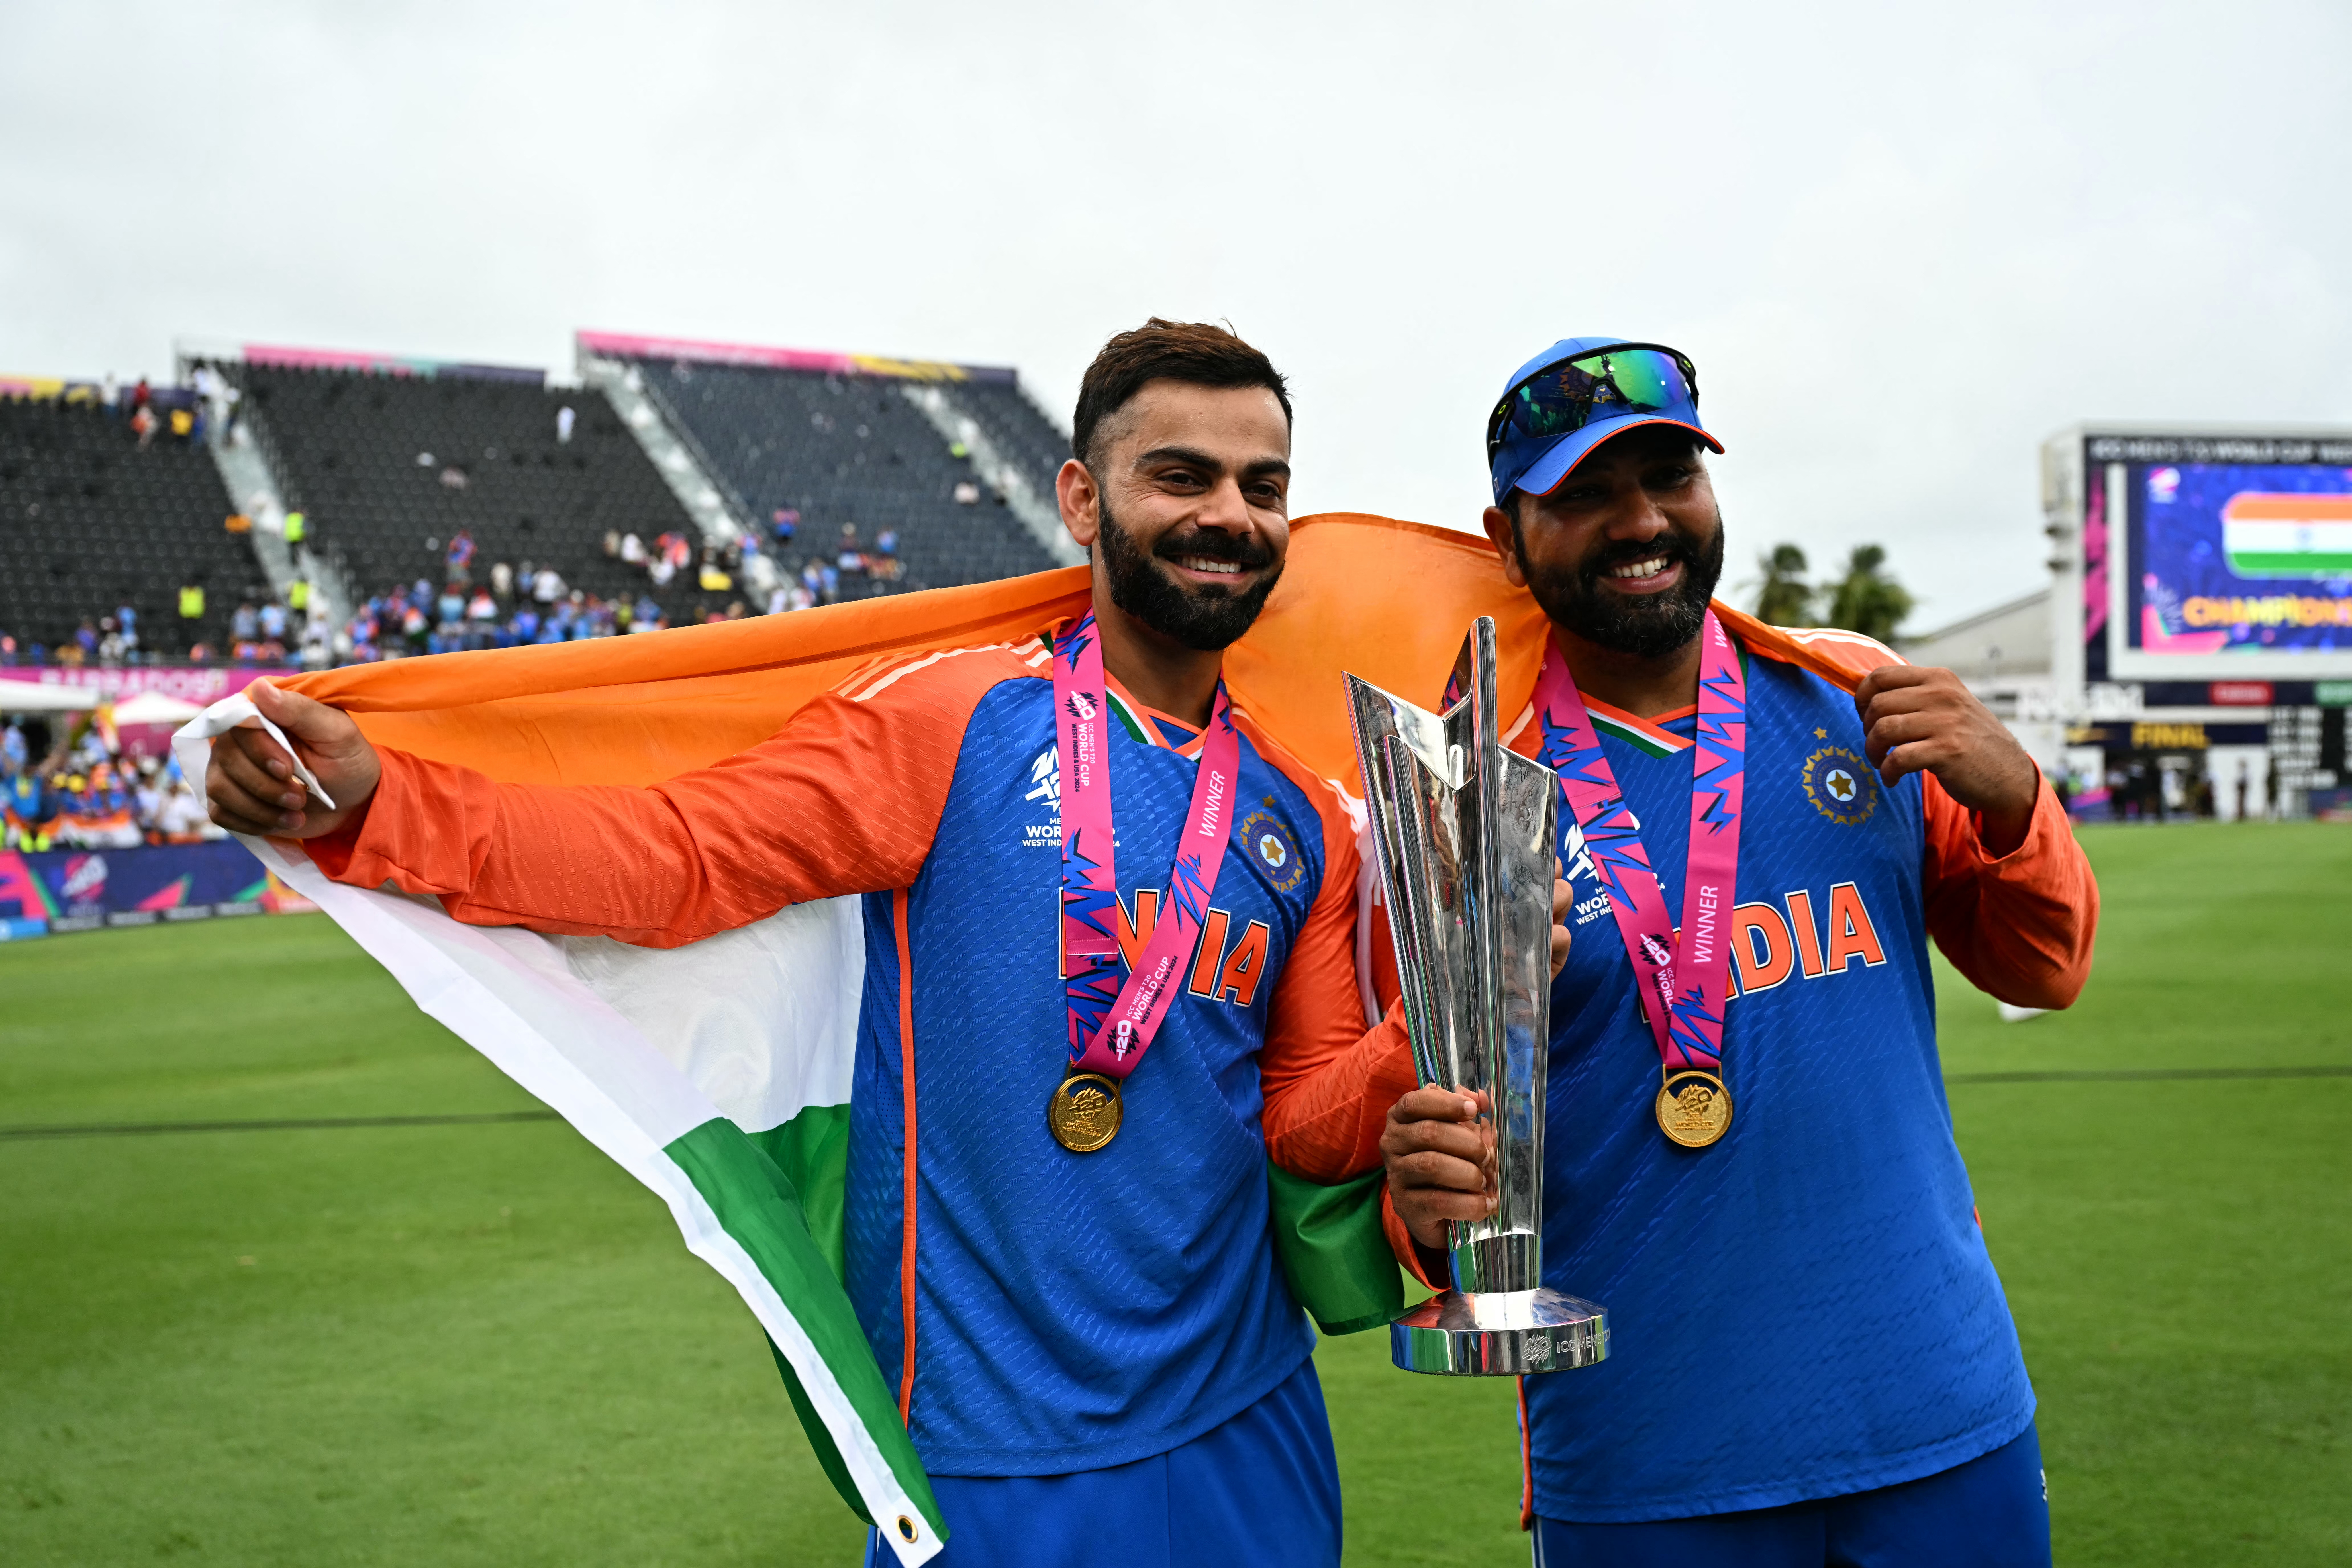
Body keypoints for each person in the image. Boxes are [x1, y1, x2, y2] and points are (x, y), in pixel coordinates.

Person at [204, 319, 1564, 1568]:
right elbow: (677, 861)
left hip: (1249, 1424)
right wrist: (389, 801)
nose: (1228, 514)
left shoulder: (1295, 815)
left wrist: (1441, 1010)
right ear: (1083, 499)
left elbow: (1305, 1122)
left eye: (1263, 487)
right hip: (992, 1448)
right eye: (1183, 475)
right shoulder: (953, 719)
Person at [1372, 336, 2096, 1567]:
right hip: (1651, 1459)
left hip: (1942, 1411)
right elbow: (1431, 1154)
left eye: (1672, 476)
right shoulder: (1459, 791)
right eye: (1586, 494)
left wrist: (2019, 798)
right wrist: (1424, 1190)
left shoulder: (1852, 698)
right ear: (1508, 535)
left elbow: (2047, 965)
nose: (1642, 519)